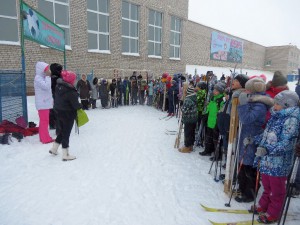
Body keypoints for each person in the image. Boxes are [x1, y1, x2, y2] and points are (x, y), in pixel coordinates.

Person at [253, 90, 300, 224]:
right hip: (267, 159)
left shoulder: (292, 119)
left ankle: (273, 213)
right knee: (266, 185)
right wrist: (255, 139)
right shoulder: (276, 115)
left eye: (278, 104)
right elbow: (267, 134)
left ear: (287, 105)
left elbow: (287, 143)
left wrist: (267, 149)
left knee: (276, 190)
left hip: (279, 162)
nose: (274, 106)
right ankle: (263, 205)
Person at [235, 78, 273, 203]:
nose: (245, 91)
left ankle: (250, 193)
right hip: (246, 135)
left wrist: (244, 104)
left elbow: (247, 119)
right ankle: (242, 187)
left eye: (247, 89)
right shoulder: (253, 100)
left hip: (253, 136)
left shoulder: (260, 104)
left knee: (250, 165)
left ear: (253, 90)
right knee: (243, 162)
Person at [49, 70, 82, 161]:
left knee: (62, 132)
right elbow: (76, 105)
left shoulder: (59, 86)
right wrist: (80, 105)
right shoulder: (71, 91)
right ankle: (65, 154)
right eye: (74, 80)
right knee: (66, 133)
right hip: (68, 114)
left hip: (58, 112)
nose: (75, 81)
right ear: (71, 80)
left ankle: (54, 149)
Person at [200, 82, 225, 156]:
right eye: (214, 89)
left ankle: (217, 154)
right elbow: (209, 108)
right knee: (208, 137)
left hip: (216, 122)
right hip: (209, 120)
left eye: (216, 90)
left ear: (220, 91)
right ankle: (207, 150)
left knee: (216, 139)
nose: (214, 91)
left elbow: (221, 111)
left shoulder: (221, 99)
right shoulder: (213, 97)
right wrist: (205, 114)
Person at [34, 61, 54, 144]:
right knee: (44, 121)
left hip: (44, 102)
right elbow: (47, 87)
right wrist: (48, 76)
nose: (48, 70)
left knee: (44, 121)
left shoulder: (41, 77)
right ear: (42, 70)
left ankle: (43, 137)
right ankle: (45, 138)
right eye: (46, 69)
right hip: (42, 103)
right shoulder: (38, 78)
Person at [179, 85, 197, 153]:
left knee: (187, 133)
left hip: (189, 119)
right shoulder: (194, 97)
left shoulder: (188, 99)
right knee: (192, 132)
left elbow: (185, 110)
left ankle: (187, 146)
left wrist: (181, 107)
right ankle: (190, 146)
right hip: (194, 118)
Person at [49, 63, 63, 130]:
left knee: (55, 111)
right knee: (54, 111)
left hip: (56, 96)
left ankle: (55, 124)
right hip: (54, 96)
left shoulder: (58, 76)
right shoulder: (53, 78)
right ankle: (54, 125)